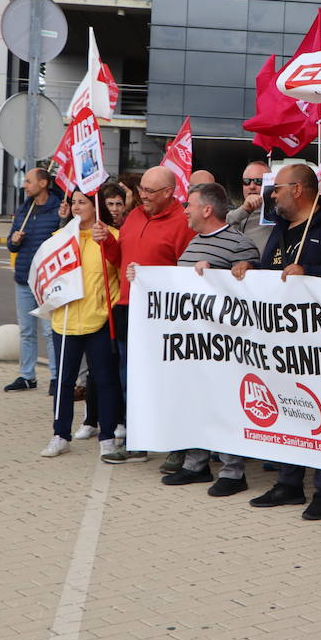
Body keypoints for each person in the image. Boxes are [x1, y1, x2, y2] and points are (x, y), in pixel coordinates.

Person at [237, 163, 321, 519]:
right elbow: (273, 275)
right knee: (287, 412)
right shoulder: (278, 229)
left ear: (298, 190)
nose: (270, 195)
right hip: (281, 345)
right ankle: (289, 484)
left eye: (276, 188)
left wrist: (311, 273)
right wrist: (250, 270)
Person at [154, 181, 260, 495]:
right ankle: (196, 465)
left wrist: (231, 271)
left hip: (224, 347)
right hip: (191, 345)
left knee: (224, 406)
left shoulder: (238, 244)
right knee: (194, 402)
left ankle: (233, 471)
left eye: (189, 204)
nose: (184, 210)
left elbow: (255, 285)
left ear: (207, 209)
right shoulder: (192, 243)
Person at [98, 165, 195, 462]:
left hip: (164, 316)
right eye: (141, 190)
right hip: (130, 308)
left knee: (167, 381)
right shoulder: (136, 216)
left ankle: (176, 447)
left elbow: (187, 273)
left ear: (169, 192)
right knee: (131, 379)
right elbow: (119, 260)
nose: (142, 196)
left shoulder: (183, 222)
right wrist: (107, 242)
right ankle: (137, 441)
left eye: (149, 191)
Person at [39, 188, 123, 460]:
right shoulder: (59, 240)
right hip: (64, 322)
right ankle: (60, 435)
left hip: (99, 321)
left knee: (105, 380)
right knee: (63, 382)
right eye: (73, 202)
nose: (76, 207)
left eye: (82, 202)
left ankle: (108, 436)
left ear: (95, 206)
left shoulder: (114, 237)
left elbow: (122, 272)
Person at [6, 168, 62, 392]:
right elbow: (11, 245)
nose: (24, 185)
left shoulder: (59, 210)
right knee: (26, 331)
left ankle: (56, 377)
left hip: (47, 282)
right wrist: (14, 240)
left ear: (43, 183)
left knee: (50, 331)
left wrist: (64, 219)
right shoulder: (23, 209)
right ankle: (27, 376)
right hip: (23, 280)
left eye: (29, 181)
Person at [226, 160, 274, 252]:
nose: (252, 186)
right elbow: (219, 225)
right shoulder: (238, 214)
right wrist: (244, 210)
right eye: (246, 181)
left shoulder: (277, 213)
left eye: (258, 181)